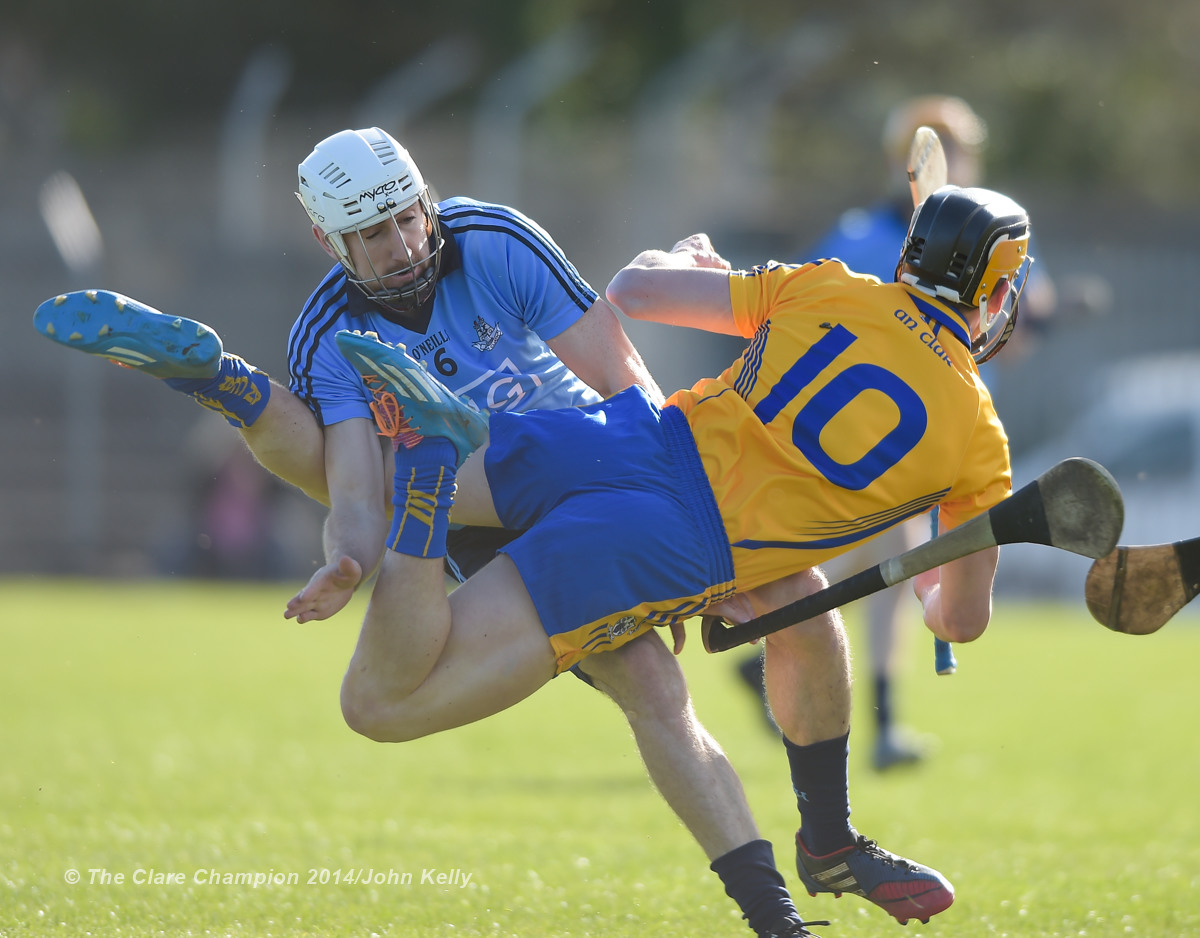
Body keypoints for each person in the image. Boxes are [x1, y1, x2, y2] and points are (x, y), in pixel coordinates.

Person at [34, 127, 819, 938]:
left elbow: (627, 382)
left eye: (409, 216)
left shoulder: (496, 239)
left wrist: (662, 532)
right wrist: (345, 557)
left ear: (426, 197)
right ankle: (230, 386)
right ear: (327, 240)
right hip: (479, 510)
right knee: (644, 688)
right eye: (373, 235)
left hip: (583, 465)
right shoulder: (328, 330)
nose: (403, 244)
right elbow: (348, 484)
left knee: (645, 685)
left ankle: (236, 389)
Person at [286, 183, 1034, 930]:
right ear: (998, 292)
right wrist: (928, 593)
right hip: (674, 542)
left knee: (801, 616)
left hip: (619, 436)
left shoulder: (829, 284)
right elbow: (960, 623)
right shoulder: (980, 445)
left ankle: (249, 396)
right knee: (379, 706)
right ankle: (799, 888)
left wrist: (689, 258)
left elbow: (634, 289)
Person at [736, 95, 1056, 771]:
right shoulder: (860, 237)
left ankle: (813, 655)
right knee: (896, 553)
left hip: (952, 437)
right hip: (878, 436)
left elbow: (1023, 317)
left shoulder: (990, 229)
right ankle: (818, 656)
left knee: (894, 562)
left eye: (955, 145)